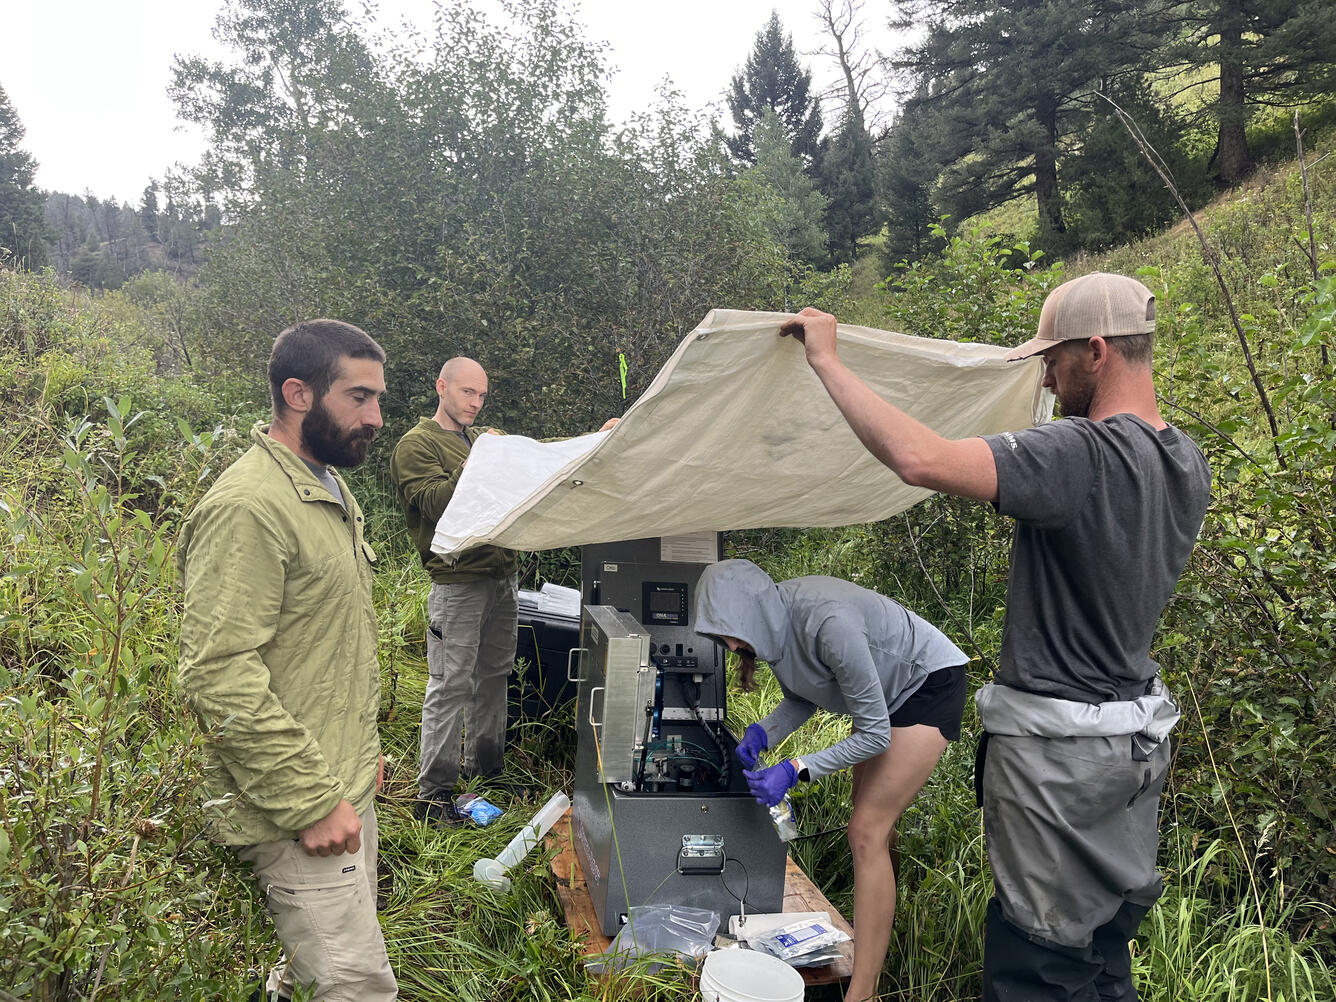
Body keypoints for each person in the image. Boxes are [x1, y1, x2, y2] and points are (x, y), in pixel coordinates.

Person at [780, 272, 1211, 1002]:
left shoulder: (1081, 452)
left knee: (1039, 966)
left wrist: (827, 358)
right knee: (1103, 954)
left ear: (1097, 351)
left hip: (1059, 764)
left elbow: (919, 460)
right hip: (1133, 750)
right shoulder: (1185, 461)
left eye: (1054, 359)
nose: (1045, 376)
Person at [177, 320, 395, 1001]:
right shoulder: (249, 507)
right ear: (299, 394)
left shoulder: (323, 485)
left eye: (378, 399)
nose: (376, 418)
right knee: (355, 989)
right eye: (358, 397)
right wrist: (311, 801)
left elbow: (320, 646)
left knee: (311, 973)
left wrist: (362, 756)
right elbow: (219, 673)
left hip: (340, 784)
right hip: (296, 810)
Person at [695, 558, 969, 1002]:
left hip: (926, 684)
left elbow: (875, 735)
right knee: (870, 824)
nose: (729, 646)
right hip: (884, 697)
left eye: (731, 632)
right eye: (720, 636)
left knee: (866, 830)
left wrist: (794, 769)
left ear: (751, 613)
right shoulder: (774, 625)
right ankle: (883, 932)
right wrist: (764, 732)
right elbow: (805, 696)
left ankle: (862, 992)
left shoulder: (829, 624)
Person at [390, 357, 519, 823]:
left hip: (502, 577)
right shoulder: (416, 445)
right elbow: (436, 504)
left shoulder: (479, 437)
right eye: (468, 392)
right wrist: (479, 459)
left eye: (482, 395)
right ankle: (433, 794)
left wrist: (591, 439)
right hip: (458, 583)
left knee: (494, 678)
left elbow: (532, 457)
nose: (476, 402)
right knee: (450, 685)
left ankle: (486, 773)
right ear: (441, 387)